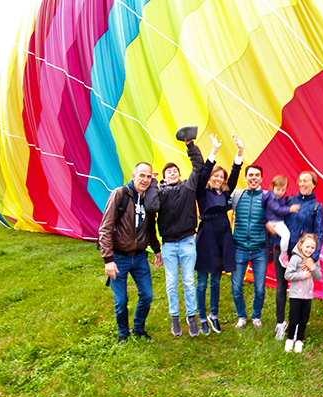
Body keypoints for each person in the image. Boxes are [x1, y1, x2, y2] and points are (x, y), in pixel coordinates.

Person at [146, 132, 205, 338]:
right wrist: (153, 184)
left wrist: (190, 145)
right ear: (164, 177)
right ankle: (174, 317)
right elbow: (151, 206)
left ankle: (191, 316)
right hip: (169, 245)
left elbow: (198, 166)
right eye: (168, 171)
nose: (172, 173)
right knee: (171, 283)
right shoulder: (159, 192)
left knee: (188, 281)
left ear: (179, 174)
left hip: (188, 242)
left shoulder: (188, 187)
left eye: (175, 170)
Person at [98, 162, 162, 344]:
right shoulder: (120, 194)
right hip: (119, 257)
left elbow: (150, 228)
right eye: (142, 175)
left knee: (147, 295)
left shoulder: (148, 199)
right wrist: (108, 259)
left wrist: (156, 249)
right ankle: (123, 334)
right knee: (121, 300)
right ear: (133, 176)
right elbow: (105, 228)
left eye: (148, 177)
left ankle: (138, 329)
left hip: (140, 257)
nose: (145, 180)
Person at [195, 134, 243, 335]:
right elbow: (204, 172)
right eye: (215, 176)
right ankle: (201, 316)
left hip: (222, 237)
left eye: (221, 177)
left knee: (215, 280)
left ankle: (213, 315)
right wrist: (214, 151)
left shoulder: (224, 193)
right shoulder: (201, 191)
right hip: (206, 236)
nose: (218, 179)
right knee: (202, 281)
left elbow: (235, 174)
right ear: (210, 178)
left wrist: (240, 151)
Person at [273, 171, 323, 340]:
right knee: (281, 286)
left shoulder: (316, 207)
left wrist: (313, 257)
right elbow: (275, 216)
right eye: (300, 181)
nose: (302, 184)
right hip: (281, 250)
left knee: (299, 291)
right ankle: (280, 322)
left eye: (306, 181)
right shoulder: (288, 200)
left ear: (314, 184)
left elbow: (319, 233)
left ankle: (296, 325)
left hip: (301, 255)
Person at [230, 163, 269, 329]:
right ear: (245, 177)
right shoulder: (237, 195)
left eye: (257, 175)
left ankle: (256, 316)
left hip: (260, 250)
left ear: (261, 178)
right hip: (239, 248)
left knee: (259, 288)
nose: (253, 178)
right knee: (236, 287)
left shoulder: (267, 198)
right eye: (250, 175)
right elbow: (218, 205)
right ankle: (241, 316)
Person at [284, 233, 322, 353]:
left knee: (303, 320)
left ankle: (299, 340)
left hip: (308, 296)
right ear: (301, 245)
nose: (309, 250)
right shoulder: (295, 258)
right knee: (293, 319)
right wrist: (302, 275)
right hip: (295, 295)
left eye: (312, 248)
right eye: (307, 247)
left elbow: (319, 276)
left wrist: (312, 267)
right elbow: (287, 275)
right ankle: (290, 339)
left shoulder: (314, 261)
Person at [262, 175, 300, 267]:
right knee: (286, 235)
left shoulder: (278, 198)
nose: (280, 192)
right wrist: (290, 209)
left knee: (274, 239)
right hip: (274, 221)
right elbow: (277, 209)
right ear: (273, 187)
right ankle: (283, 254)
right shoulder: (272, 197)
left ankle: (273, 253)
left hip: (276, 221)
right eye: (278, 189)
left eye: (283, 190)